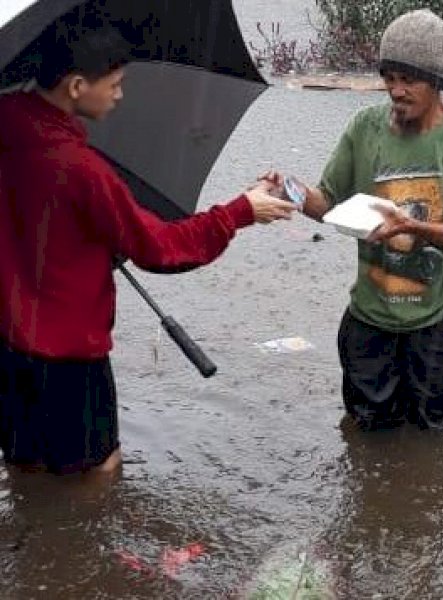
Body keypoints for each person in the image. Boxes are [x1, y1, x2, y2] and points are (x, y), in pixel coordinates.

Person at [0, 20, 299, 475]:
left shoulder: (6, 122)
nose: (120, 96)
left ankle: (36, 541)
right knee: (97, 471)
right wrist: (240, 210)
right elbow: (160, 247)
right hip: (71, 360)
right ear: (77, 85)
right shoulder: (85, 171)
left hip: (9, 347)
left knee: (27, 466)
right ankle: (83, 546)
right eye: (115, 84)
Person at [264, 9, 443, 430]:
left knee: (434, 435)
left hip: (437, 317)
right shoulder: (364, 128)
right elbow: (328, 202)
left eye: (409, 80)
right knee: (366, 433)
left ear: (438, 81)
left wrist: (414, 228)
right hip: (371, 315)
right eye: (389, 78)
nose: (396, 90)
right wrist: (291, 192)